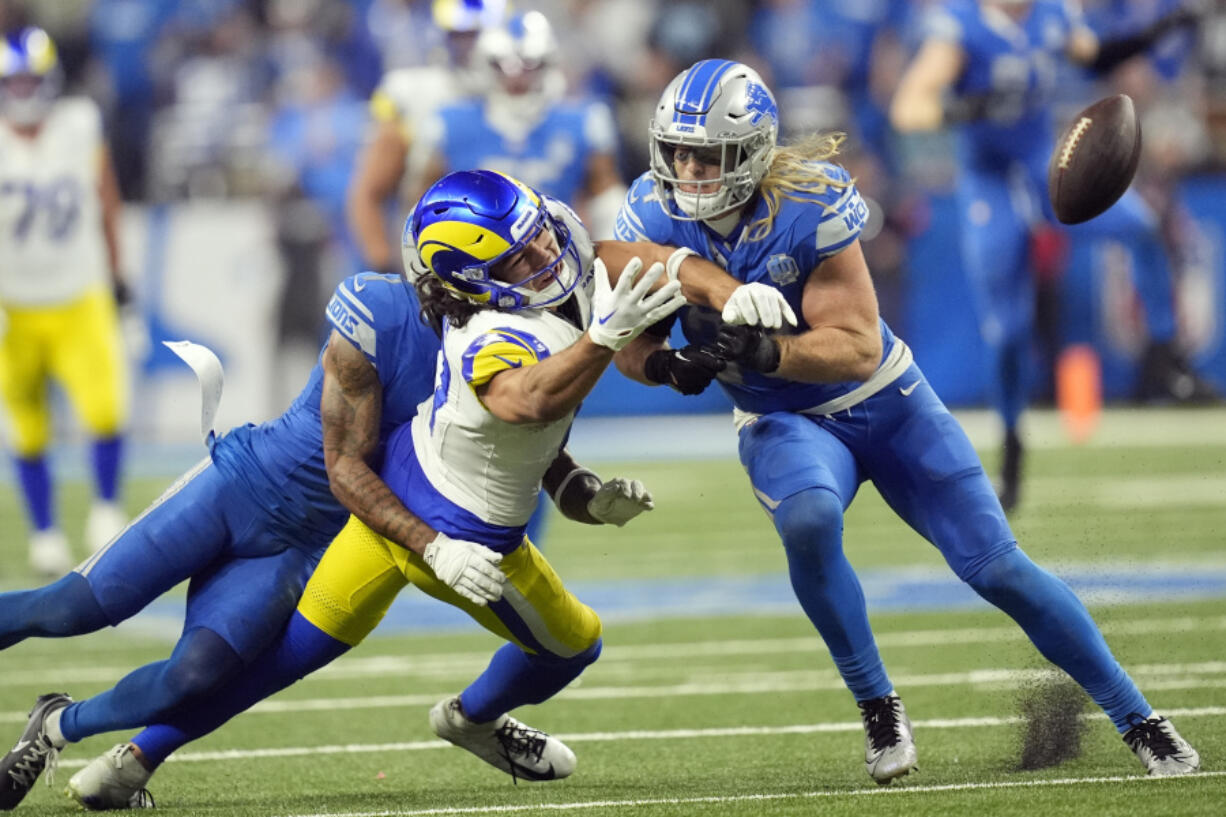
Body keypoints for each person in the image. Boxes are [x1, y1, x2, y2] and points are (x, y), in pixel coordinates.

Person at [4, 170, 684, 807]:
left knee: (194, 676)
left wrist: (582, 493)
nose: (539, 262)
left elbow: (534, 449)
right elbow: (345, 469)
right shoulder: (383, 316)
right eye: (513, 259)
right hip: (245, 487)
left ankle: (58, 725)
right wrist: (435, 544)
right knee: (69, 609)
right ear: (461, 280)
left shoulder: (532, 326)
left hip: (307, 545)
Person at [611, 58, 1201, 783]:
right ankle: (878, 705)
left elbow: (857, 348)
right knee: (807, 521)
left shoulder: (809, 200)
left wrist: (766, 347)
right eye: (677, 153)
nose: (689, 170)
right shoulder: (648, 211)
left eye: (708, 156)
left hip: (888, 404)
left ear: (754, 151)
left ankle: (1139, 716)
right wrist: (667, 368)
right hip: (782, 421)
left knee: (997, 567)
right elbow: (628, 341)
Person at [888, 0, 1212, 511]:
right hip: (989, 180)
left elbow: (1096, 59)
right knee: (1008, 329)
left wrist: (1154, 35)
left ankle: (1165, 358)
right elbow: (908, 108)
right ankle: (1012, 448)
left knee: (1145, 228)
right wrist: (968, 107)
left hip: (1047, 170)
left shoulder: (1051, 14)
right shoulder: (962, 27)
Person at [0, 26, 134, 574]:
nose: (26, 90)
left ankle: (106, 506)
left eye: (34, 79)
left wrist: (122, 286)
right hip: (12, 304)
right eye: (17, 80)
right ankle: (45, 531)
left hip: (79, 292)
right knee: (25, 424)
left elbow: (106, 200)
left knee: (105, 408)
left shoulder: (78, 124)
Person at [415, 10, 627, 239]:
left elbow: (607, 198)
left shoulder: (582, 121)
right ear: (485, 65)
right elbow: (422, 202)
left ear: (548, 64)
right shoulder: (450, 123)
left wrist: (603, 251)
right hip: (473, 253)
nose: (515, 78)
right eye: (502, 66)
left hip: (558, 253)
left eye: (529, 65)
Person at [347, 0, 507, 275]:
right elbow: (367, 195)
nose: (472, 45)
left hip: (517, 256)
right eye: (460, 34)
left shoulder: (545, 97)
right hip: (438, 263)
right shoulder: (413, 93)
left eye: (478, 34)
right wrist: (385, 266)